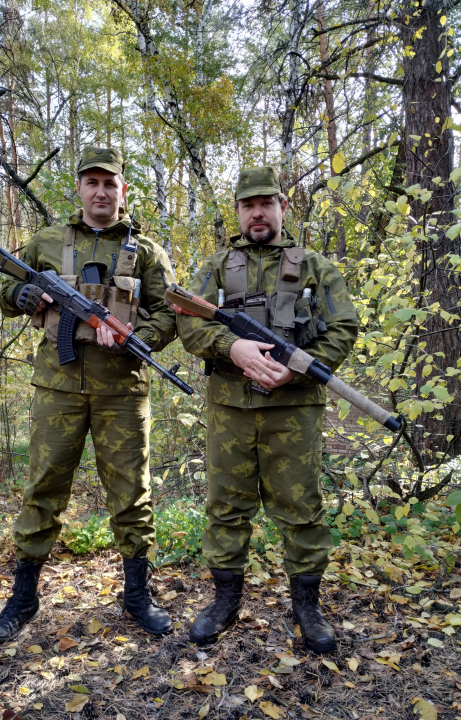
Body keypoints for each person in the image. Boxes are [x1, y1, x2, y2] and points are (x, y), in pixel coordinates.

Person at [0, 146, 177, 642]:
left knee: (132, 494)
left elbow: (171, 314)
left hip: (123, 390)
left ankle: (137, 594)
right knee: (44, 488)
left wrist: (140, 339)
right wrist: (23, 295)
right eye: (92, 182)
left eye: (109, 183)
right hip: (58, 387)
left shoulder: (149, 252)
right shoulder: (47, 241)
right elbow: (7, 291)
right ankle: (23, 598)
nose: (100, 191)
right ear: (79, 188)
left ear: (122, 190)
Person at [176, 165, 358, 652]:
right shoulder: (215, 267)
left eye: (266, 203)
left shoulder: (315, 267)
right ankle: (225, 601)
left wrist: (298, 368)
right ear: (237, 212)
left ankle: (307, 605)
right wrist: (229, 347)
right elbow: (189, 326)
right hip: (230, 408)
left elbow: (344, 327)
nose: (257, 212)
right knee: (226, 507)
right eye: (247, 204)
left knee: (300, 507)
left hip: (294, 409)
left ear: (281, 206)